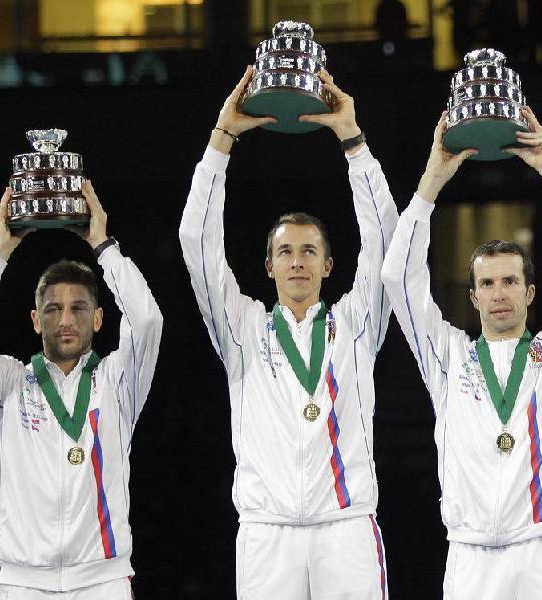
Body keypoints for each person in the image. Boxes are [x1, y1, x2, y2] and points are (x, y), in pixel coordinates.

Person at [178, 66, 397, 599]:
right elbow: (197, 246)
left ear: (328, 265)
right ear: (269, 266)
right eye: (284, 251)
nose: (296, 261)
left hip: (345, 527)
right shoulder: (243, 330)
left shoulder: (356, 324)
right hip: (267, 531)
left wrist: (353, 141)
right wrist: (221, 140)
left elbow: (387, 240)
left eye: (308, 251)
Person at [381, 107, 542, 599]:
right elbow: (397, 277)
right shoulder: (447, 355)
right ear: (473, 296)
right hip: (470, 556)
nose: (499, 292)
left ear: (530, 292)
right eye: (487, 283)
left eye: (510, 281)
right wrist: (431, 181)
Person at [0, 184, 163, 598]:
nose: (65, 319)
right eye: (52, 309)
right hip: (24, 581)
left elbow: (147, 320)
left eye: (78, 308)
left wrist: (102, 245)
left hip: (102, 580)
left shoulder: (117, 383)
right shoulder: (5, 387)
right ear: (34, 319)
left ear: (98, 319)